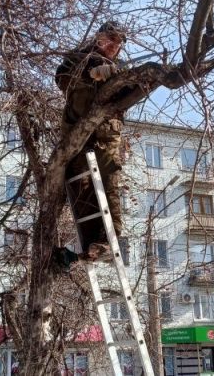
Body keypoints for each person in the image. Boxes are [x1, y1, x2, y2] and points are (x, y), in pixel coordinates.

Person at [55, 21, 127, 263]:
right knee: (82, 185)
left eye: (119, 43)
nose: (114, 46)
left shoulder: (120, 68)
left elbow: (131, 93)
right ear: (99, 37)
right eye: (111, 39)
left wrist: (114, 75)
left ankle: (107, 242)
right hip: (78, 132)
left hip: (107, 136)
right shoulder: (77, 58)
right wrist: (90, 72)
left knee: (109, 185)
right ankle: (88, 242)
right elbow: (62, 78)